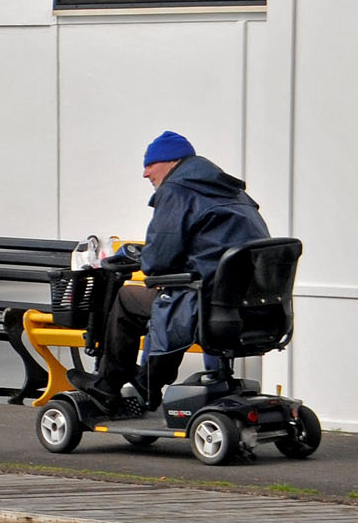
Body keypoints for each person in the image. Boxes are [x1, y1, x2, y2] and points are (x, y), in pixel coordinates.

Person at [91, 131, 270, 408]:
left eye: (150, 164)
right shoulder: (236, 193)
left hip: (206, 302)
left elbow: (157, 259)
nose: (145, 173)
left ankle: (108, 386)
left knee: (127, 299)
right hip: (252, 307)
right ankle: (147, 383)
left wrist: (159, 272)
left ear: (172, 162)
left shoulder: (176, 190)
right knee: (168, 300)